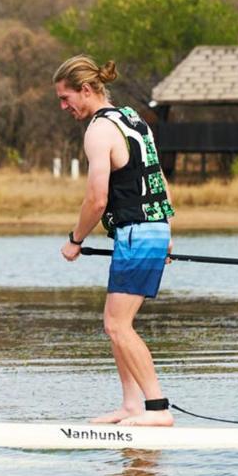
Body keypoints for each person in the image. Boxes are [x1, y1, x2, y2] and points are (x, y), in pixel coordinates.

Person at [54, 54, 176, 427]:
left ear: (86, 90)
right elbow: (159, 181)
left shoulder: (98, 130)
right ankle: (130, 405)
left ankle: (157, 409)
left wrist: (75, 239)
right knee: (114, 322)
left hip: (139, 232)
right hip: (149, 229)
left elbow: (97, 199)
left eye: (65, 98)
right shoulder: (133, 120)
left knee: (117, 326)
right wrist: (166, 233)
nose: (64, 107)